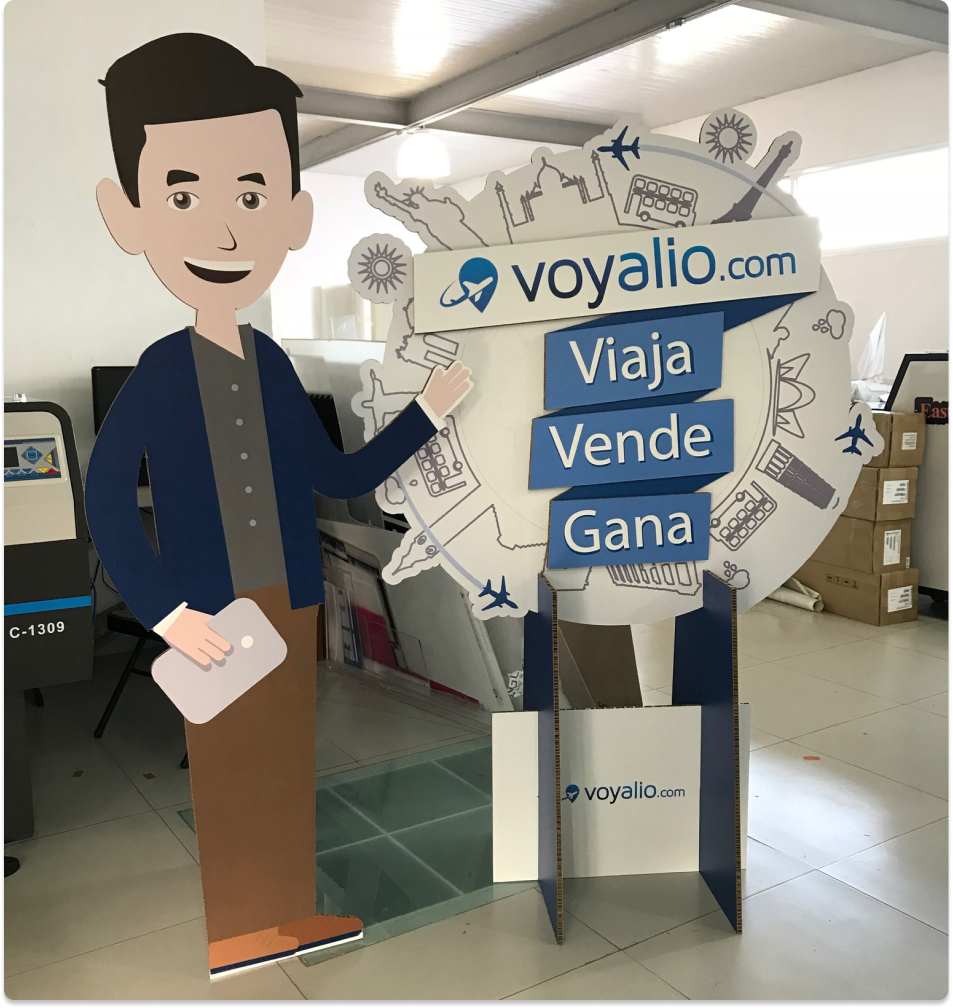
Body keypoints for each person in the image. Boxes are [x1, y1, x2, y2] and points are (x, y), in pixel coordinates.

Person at [85, 32, 471, 976]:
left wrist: (425, 414)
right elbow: (105, 499)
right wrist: (166, 613)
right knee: (228, 769)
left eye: (251, 197)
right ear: (130, 216)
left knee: (286, 763)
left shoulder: (270, 362)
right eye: (185, 198)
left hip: (289, 600)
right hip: (209, 608)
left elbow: (336, 474)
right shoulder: (160, 370)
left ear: (292, 216)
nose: (225, 233)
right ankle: (239, 928)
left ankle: (287, 911)